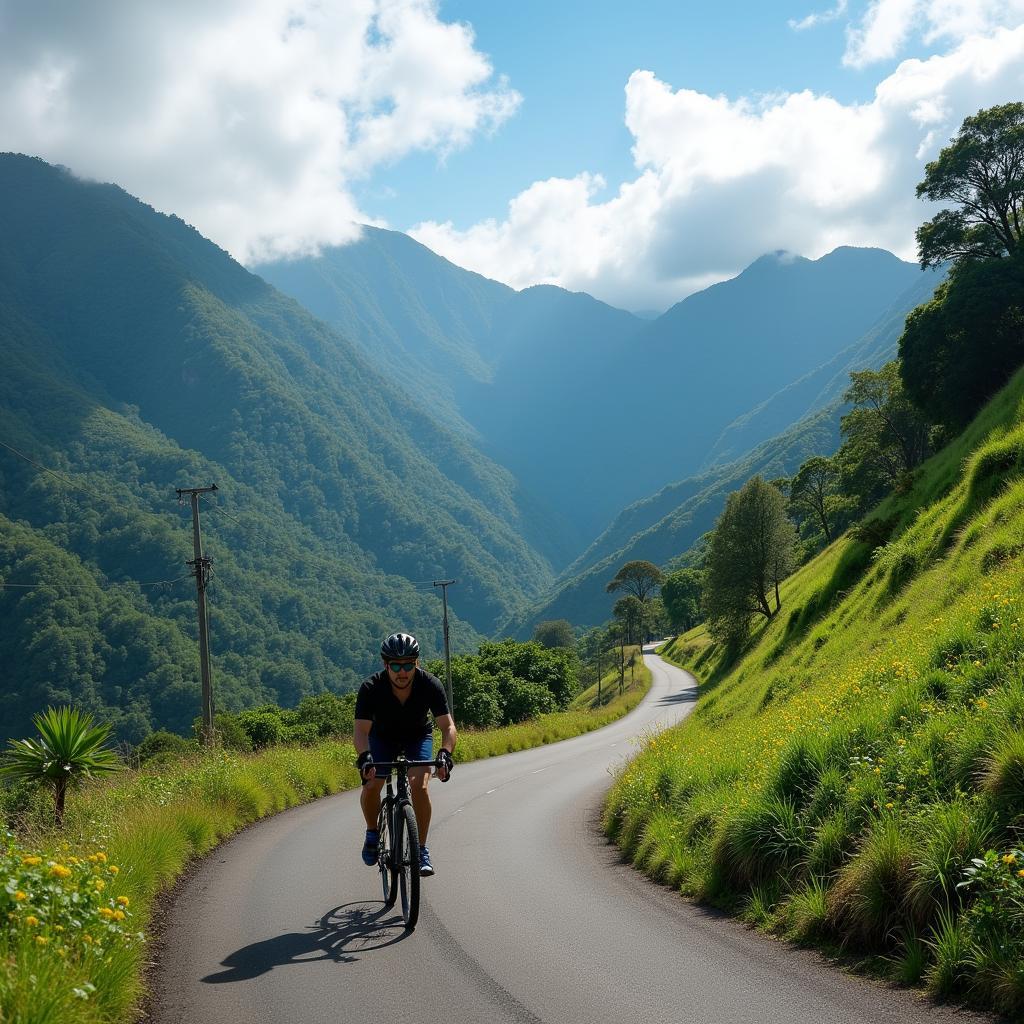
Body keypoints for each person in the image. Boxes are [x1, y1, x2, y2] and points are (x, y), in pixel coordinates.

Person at [354, 632, 456, 877]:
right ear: (385, 665)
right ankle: (372, 832)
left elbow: (448, 726)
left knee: (419, 787)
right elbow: (361, 731)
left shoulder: (430, 684)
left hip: (417, 736)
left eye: (408, 665)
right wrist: (365, 757)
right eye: (396, 666)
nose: (403, 672)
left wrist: (445, 753)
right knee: (371, 786)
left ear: (416, 663)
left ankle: (421, 849)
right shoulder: (371, 688)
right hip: (381, 739)